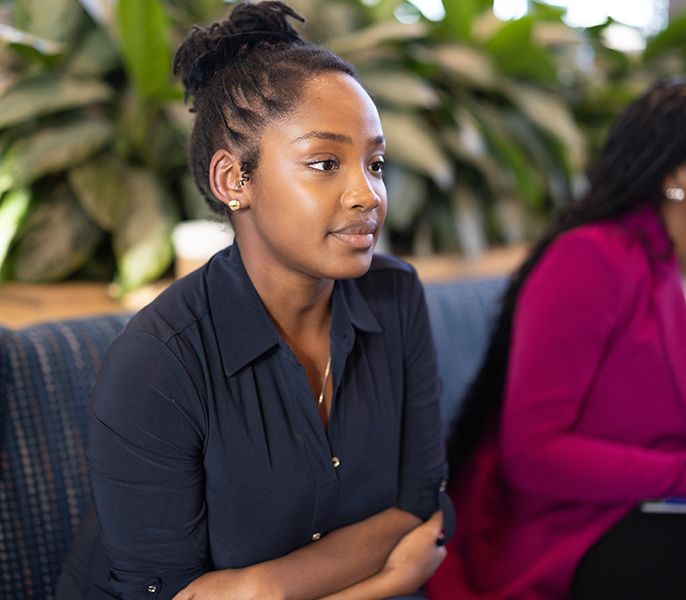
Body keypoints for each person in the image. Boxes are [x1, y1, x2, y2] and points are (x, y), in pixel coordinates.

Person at [56, 2, 452, 599]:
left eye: (375, 164)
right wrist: (384, 580)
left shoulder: (395, 298)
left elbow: (418, 505)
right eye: (325, 163)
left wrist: (252, 588)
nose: (367, 194)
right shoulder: (158, 364)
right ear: (232, 180)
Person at [427, 78, 686, 600]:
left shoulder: (675, 266)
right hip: (570, 530)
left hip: (656, 509)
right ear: (678, 175)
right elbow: (535, 453)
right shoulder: (591, 258)